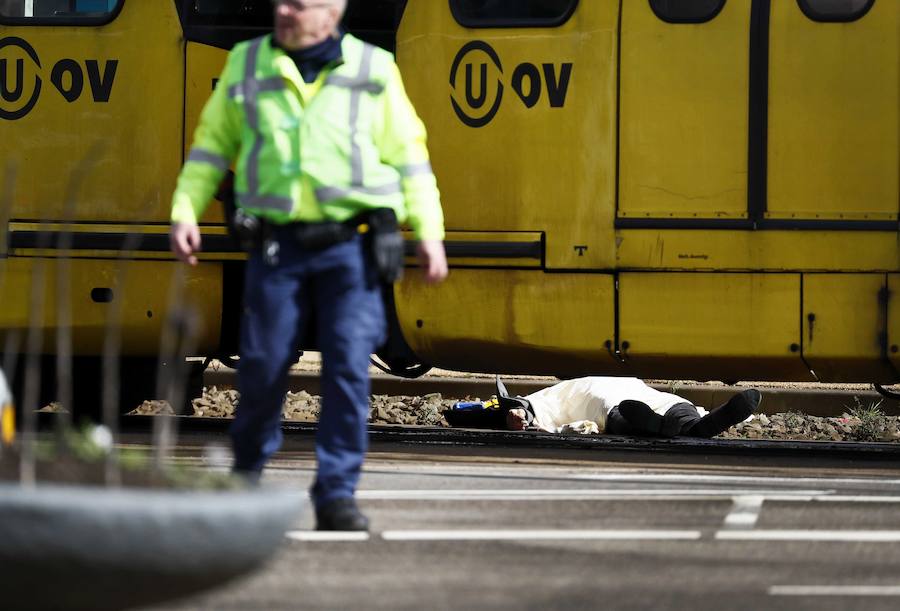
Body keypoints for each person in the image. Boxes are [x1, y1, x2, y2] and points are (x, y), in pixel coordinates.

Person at [169, 0, 447, 531]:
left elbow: (410, 155)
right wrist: (185, 209)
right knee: (264, 365)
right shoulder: (248, 64)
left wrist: (429, 232)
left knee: (346, 369)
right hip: (278, 247)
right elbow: (210, 148)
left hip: (350, 248)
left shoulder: (372, 68)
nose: (284, 10)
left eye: (298, 3)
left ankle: (336, 494)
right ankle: (246, 475)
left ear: (333, 10)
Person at [447, 376, 760, 439]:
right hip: (641, 395)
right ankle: (703, 424)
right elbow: (527, 411)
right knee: (682, 413)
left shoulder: (543, 399)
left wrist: (520, 416)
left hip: (613, 405)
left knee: (622, 417)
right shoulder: (551, 393)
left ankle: (664, 429)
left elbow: (531, 413)